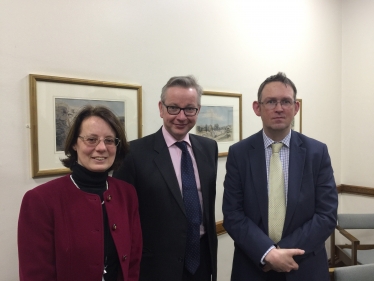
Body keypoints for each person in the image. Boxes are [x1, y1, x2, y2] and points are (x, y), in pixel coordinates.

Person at [222, 72, 338, 281]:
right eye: (271, 102)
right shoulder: (239, 154)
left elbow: (326, 214)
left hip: (304, 268)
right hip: (253, 267)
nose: (279, 108)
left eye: (286, 101)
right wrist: (267, 253)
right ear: (257, 108)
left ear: (296, 107)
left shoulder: (317, 152)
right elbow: (233, 214)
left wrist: (279, 252)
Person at [18, 105, 142, 281]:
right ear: (75, 143)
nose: (101, 148)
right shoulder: (40, 200)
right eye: (91, 139)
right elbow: (36, 275)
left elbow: (133, 262)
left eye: (109, 140)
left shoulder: (126, 193)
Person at [113, 75, 218, 281]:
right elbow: (121, 218)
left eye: (189, 109)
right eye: (173, 108)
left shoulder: (208, 148)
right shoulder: (133, 154)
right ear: (161, 108)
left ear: (198, 110)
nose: (181, 116)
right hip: (155, 268)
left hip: (202, 264)